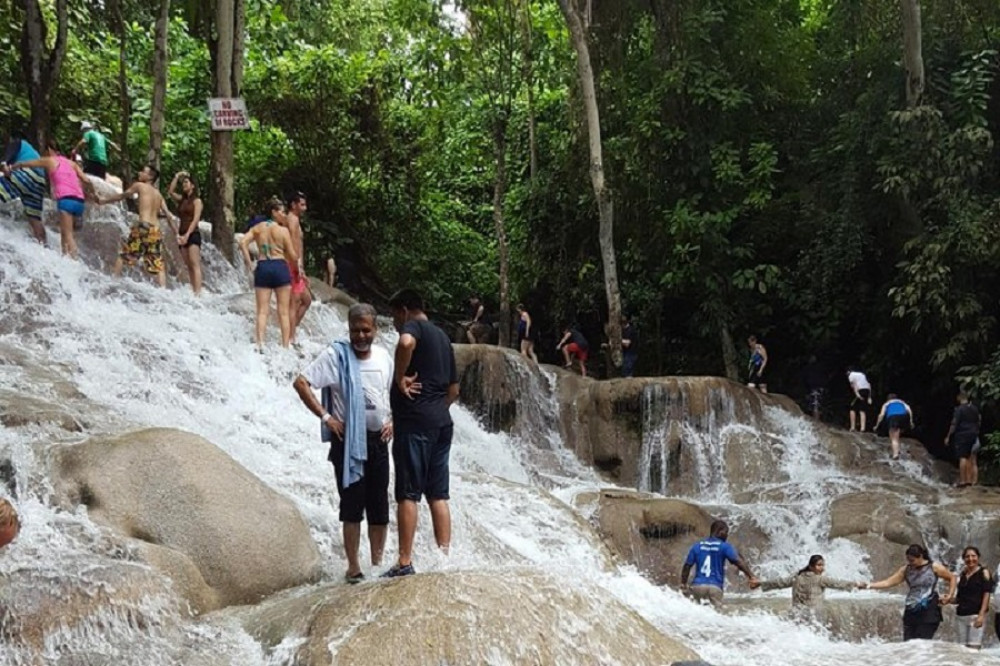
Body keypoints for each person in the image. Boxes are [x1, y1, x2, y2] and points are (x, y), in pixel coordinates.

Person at [292, 303, 393, 584]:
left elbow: (390, 393)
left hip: (379, 441)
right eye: (355, 330)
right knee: (351, 505)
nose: (360, 336)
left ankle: (376, 564)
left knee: (379, 507)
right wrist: (326, 417)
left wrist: (392, 420)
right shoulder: (336, 356)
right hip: (346, 442)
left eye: (366, 330)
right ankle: (353, 567)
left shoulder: (384, 357)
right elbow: (301, 383)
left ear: (375, 330)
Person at [384, 289, 459, 577]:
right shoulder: (442, 337)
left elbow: (405, 343)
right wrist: (436, 409)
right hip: (442, 423)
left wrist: (400, 376)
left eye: (394, 316)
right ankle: (444, 559)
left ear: (404, 310)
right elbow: (454, 390)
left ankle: (404, 562)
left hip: (415, 424)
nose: (394, 322)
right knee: (437, 494)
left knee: (408, 493)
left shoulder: (412, 326)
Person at [10, 141, 95, 258]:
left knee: (67, 235)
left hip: (66, 200)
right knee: (65, 234)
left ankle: (75, 265)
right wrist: (94, 195)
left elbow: (28, 163)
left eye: (45, 151)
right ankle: (65, 260)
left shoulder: (50, 160)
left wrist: (14, 166)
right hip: (79, 201)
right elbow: (87, 180)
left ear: (49, 150)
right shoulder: (72, 164)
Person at [862, 544, 956, 641]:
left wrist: (950, 595)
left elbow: (952, 577)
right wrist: (869, 585)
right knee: (908, 642)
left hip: (929, 610)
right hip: (911, 609)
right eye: (908, 560)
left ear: (920, 556)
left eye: (912, 560)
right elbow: (888, 582)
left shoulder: (934, 567)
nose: (910, 563)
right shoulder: (906, 570)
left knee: (922, 642)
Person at [99, 165, 174, 287]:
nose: (139, 173)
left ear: (150, 177)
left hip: (143, 227)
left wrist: (103, 200)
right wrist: (177, 234)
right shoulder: (159, 195)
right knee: (158, 265)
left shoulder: (139, 186)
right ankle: (163, 291)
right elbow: (168, 215)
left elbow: (122, 196)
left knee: (123, 256)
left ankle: (112, 283)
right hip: (155, 230)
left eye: (143, 171)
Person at [239, 199, 298, 349]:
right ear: (273, 212)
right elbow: (292, 255)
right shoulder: (283, 231)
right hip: (280, 267)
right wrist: (297, 267)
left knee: (262, 310)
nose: (284, 215)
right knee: (283, 311)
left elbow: (243, 243)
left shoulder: (258, 228)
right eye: (281, 212)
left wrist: (249, 264)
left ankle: (260, 344)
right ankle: (285, 346)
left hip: (263, 266)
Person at [758, 554, 861, 621]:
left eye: (823, 565)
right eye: (819, 565)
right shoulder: (820, 579)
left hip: (798, 616)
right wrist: (856, 584)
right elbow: (838, 584)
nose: (822, 568)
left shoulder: (797, 577)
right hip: (814, 618)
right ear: (811, 566)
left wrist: (760, 583)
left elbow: (779, 583)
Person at [680, 520, 758, 608]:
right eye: (726, 532)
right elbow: (738, 561)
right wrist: (751, 576)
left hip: (697, 587)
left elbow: (687, 566)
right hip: (715, 588)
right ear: (720, 532)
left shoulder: (697, 546)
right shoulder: (724, 546)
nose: (727, 535)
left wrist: (683, 584)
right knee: (716, 617)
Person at [0, 130, 48, 243]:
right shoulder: (32, 151)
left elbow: (5, 161)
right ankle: (43, 245)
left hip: (27, 174)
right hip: (40, 182)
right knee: (34, 218)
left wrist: (4, 163)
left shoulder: (18, 142)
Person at [167, 171, 204, 295]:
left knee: (194, 263)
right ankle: (193, 290)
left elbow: (196, 219)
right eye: (183, 183)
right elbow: (170, 192)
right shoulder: (182, 200)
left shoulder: (197, 201)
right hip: (182, 234)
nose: (184, 184)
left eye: (186, 182)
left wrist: (188, 234)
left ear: (193, 186)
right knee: (188, 265)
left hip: (193, 234)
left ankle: (198, 293)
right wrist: (177, 176)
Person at [949, 546, 992, 650]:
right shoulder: (963, 574)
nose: (970, 559)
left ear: (978, 557)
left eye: (973, 556)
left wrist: (981, 615)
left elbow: (987, 593)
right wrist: (948, 599)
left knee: (973, 650)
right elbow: (960, 598)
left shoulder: (983, 572)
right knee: (962, 650)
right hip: (961, 616)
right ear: (964, 559)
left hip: (975, 615)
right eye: (967, 557)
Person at [285, 192, 312, 343]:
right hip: (291, 264)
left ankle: (289, 331)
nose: (305, 208)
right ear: (293, 205)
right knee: (295, 301)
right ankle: (290, 337)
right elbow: (293, 244)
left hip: (295, 263)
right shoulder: (292, 220)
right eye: (302, 205)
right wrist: (297, 267)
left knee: (306, 300)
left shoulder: (294, 219)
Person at [945, 393, 981, 488]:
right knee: (972, 458)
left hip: (962, 435)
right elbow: (979, 420)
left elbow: (954, 423)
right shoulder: (974, 408)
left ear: (959, 398)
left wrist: (948, 436)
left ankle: (963, 480)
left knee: (963, 457)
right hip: (973, 434)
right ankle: (972, 481)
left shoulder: (959, 409)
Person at [873, 394, 914, 461]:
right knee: (898, 432)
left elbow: (881, 415)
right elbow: (909, 410)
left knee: (893, 437)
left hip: (893, 417)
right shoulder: (902, 402)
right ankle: (898, 449)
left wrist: (876, 425)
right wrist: (911, 421)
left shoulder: (887, 403)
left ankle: (895, 455)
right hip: (904, 417)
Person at [847, 367, 872, 432]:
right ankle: (863, 428)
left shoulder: (851, 376)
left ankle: (852, 427)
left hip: (860, 390)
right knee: (862, 409)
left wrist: (857, 395)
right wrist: (869, 397)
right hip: (866, 390)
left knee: (852, 408)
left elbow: (854, 385)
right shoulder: (862, 374)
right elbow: (869, 384)